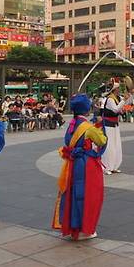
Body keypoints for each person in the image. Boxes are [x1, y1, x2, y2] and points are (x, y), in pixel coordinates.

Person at [53, 94, 107, 240]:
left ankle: (73, 227)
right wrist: (100, 124)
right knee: (87, 194)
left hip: (72, 164)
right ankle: (84, 229)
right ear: (86, 110)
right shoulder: (88, 127)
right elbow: (102, 140)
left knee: (72, 193)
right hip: (85, 164)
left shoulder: (71, 125)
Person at [100, 78, 128, 174]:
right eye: (118, 88)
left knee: (116, 146)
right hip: (108, 125)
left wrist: (129, 95)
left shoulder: (117, 98)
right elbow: (116, 109)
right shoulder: (110, 99)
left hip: (115, 125)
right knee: (109, 146)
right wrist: (124, 100)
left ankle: (114, 166)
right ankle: (107, 167)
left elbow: (127, 103)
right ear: (114, 89)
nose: (119, 89)